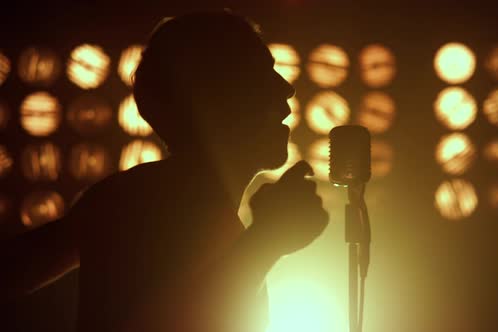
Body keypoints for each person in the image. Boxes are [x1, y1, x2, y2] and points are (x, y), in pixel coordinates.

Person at [0, 10, 329, 332]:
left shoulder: (123, 199)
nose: (286, 89)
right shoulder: (148, 206)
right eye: (261, 74)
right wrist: (265, 242)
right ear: (215, 97)